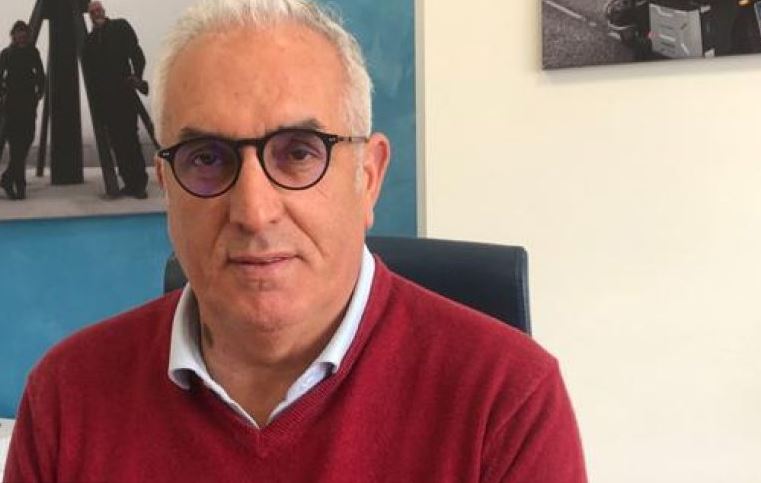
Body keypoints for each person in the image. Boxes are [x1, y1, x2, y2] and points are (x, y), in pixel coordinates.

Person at [4, 0, 587, 481]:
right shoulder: (66, 397)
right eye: (206, 158)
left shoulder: (506, 402)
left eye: (300, 153)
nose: (254, 212)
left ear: (368, 177)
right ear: (167, 186)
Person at [82, 1, 149, 199]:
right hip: (106, 100)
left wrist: (137, 76)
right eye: (92, 12)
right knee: (118, 143)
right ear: (90, 16)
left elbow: (136, 53)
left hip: (124, 94)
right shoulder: (90, 41)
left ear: (103, 11)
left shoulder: (120, 27)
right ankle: (130, 182)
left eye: (98, 10)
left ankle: (139, 184)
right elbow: (91, 75)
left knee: (130, 139)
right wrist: (97, 105)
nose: (96, 14)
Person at [0, 21, 44, 200]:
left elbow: (40, 74)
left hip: (28, 105)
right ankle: (19, 185)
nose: (22, 35)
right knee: (16, 147)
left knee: (25, 142)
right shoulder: (6, 54)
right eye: (18, 32)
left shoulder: (32, 52)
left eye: (24, 32)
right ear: (14, 35)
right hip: (11, 106)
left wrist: (39, 94)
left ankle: (8, 179)